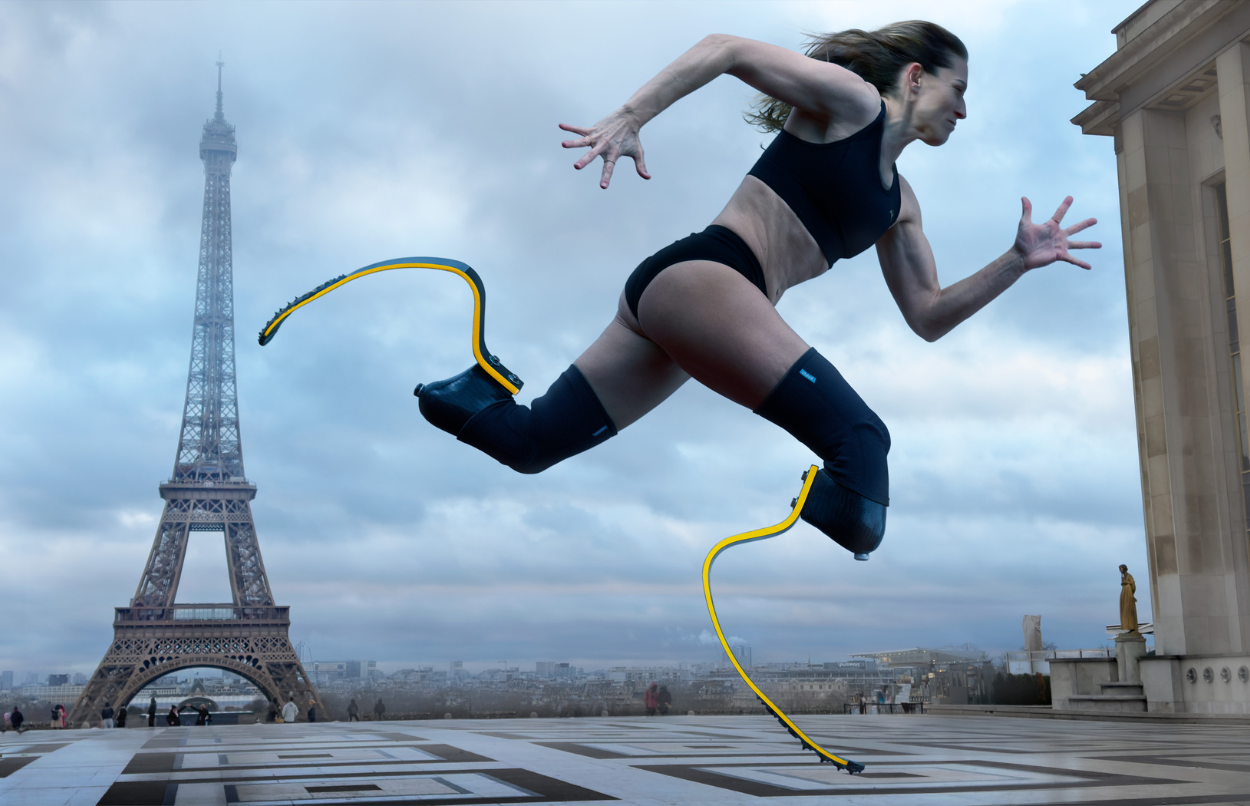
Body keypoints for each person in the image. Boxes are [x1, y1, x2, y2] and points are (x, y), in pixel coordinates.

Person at [414, 23, 1099, 561]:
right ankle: (829, 504)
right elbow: (726, 49)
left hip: (686, 303)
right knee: (861, 441)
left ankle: (467, 392)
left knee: (530, 443)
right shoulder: (853, 105)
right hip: (712, 277)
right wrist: (631, 116)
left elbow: (927, 315)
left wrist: (1015, 260)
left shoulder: (903, 205)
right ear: (916, 78)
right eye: (959, 89)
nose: (965, 110)